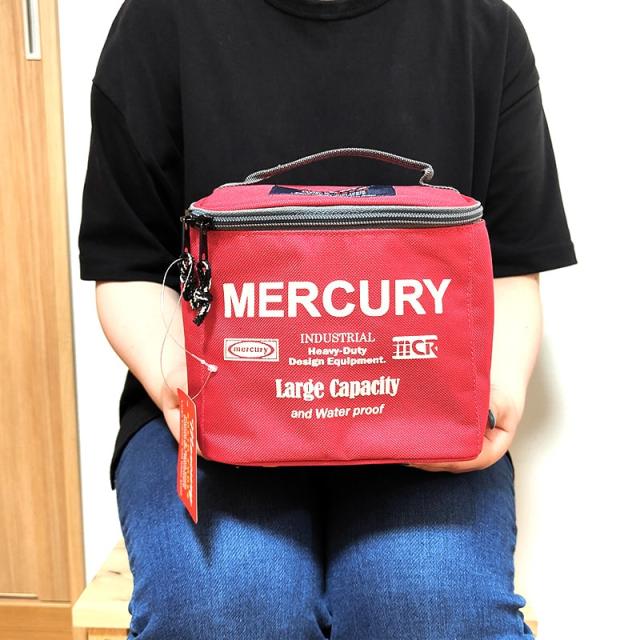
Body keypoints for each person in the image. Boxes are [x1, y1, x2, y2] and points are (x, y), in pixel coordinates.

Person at [78, 0, 577, 637]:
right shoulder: (160, 21)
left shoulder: (481, 27)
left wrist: (498, 388)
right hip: (217, 418)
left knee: (430, 606)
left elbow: (510, 263)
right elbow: (127, 265)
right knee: (227, 607)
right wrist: (180, 380)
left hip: (419, 418)